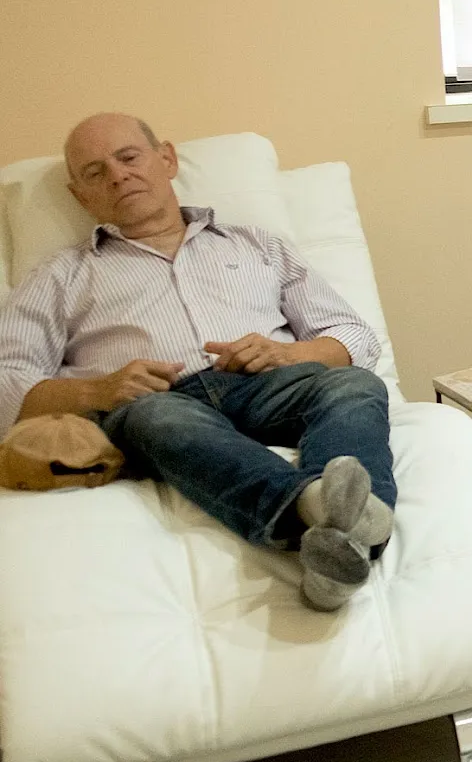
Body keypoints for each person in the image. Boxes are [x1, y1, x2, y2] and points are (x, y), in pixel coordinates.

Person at [0, 113, 395, 611]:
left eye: (128, 157)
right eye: (96, 172)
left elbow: (354, 335)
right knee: (155, 416)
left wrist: (287, 352)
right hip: (160, 406)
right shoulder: (60, 276)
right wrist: (96, 391)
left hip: (270, 384)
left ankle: (338, 544)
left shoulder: (259, 245)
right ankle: (314, 513)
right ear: (80, 196)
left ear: (166, 159)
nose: (118, 175)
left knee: (354, 385)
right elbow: (7, 380)